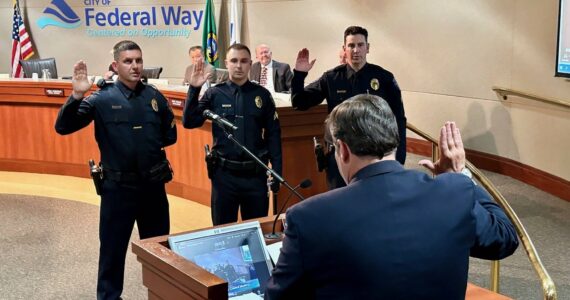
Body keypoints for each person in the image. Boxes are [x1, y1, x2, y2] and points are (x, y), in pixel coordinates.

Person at [264, 94, 519, 299]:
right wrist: (460, 175)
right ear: (395, 141)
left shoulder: (309, 217)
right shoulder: (454, 192)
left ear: (341, 150)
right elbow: (505, 238)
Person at [54, 40, 177, 300]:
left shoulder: (154, 96)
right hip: (118, 189)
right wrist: (76, 96)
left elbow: (170, 134)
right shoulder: (101, 98)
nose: (135, 66)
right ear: (115, 65)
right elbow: (63, 127)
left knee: (159, 251)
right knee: (112, 252)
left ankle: (160, 295)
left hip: (153, 187)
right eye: (128, 61)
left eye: (138, 61)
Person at [292, 25, 407, 190]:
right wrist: (299, 75)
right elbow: (299, 103)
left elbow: (399, 119)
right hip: (340, 157)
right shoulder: (331, 78)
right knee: (339, 207)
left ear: (368, 48)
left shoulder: (384, 78)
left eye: (360, 45)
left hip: (374, 157)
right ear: (344, 48)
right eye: (351, 45)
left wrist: (399, 155)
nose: (356, 50)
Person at [182, 43, 282, 226]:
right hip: (224, 176)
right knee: (223, 231)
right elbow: (189, 122)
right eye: (234, 61)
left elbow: (273, 135)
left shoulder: (262, 95)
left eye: (244, 61)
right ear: (226, 63)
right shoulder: (215, 93)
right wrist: (194, 89)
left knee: (254, 230)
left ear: (250, 63)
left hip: (255, 175)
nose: (239, 66)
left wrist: (276, 170)